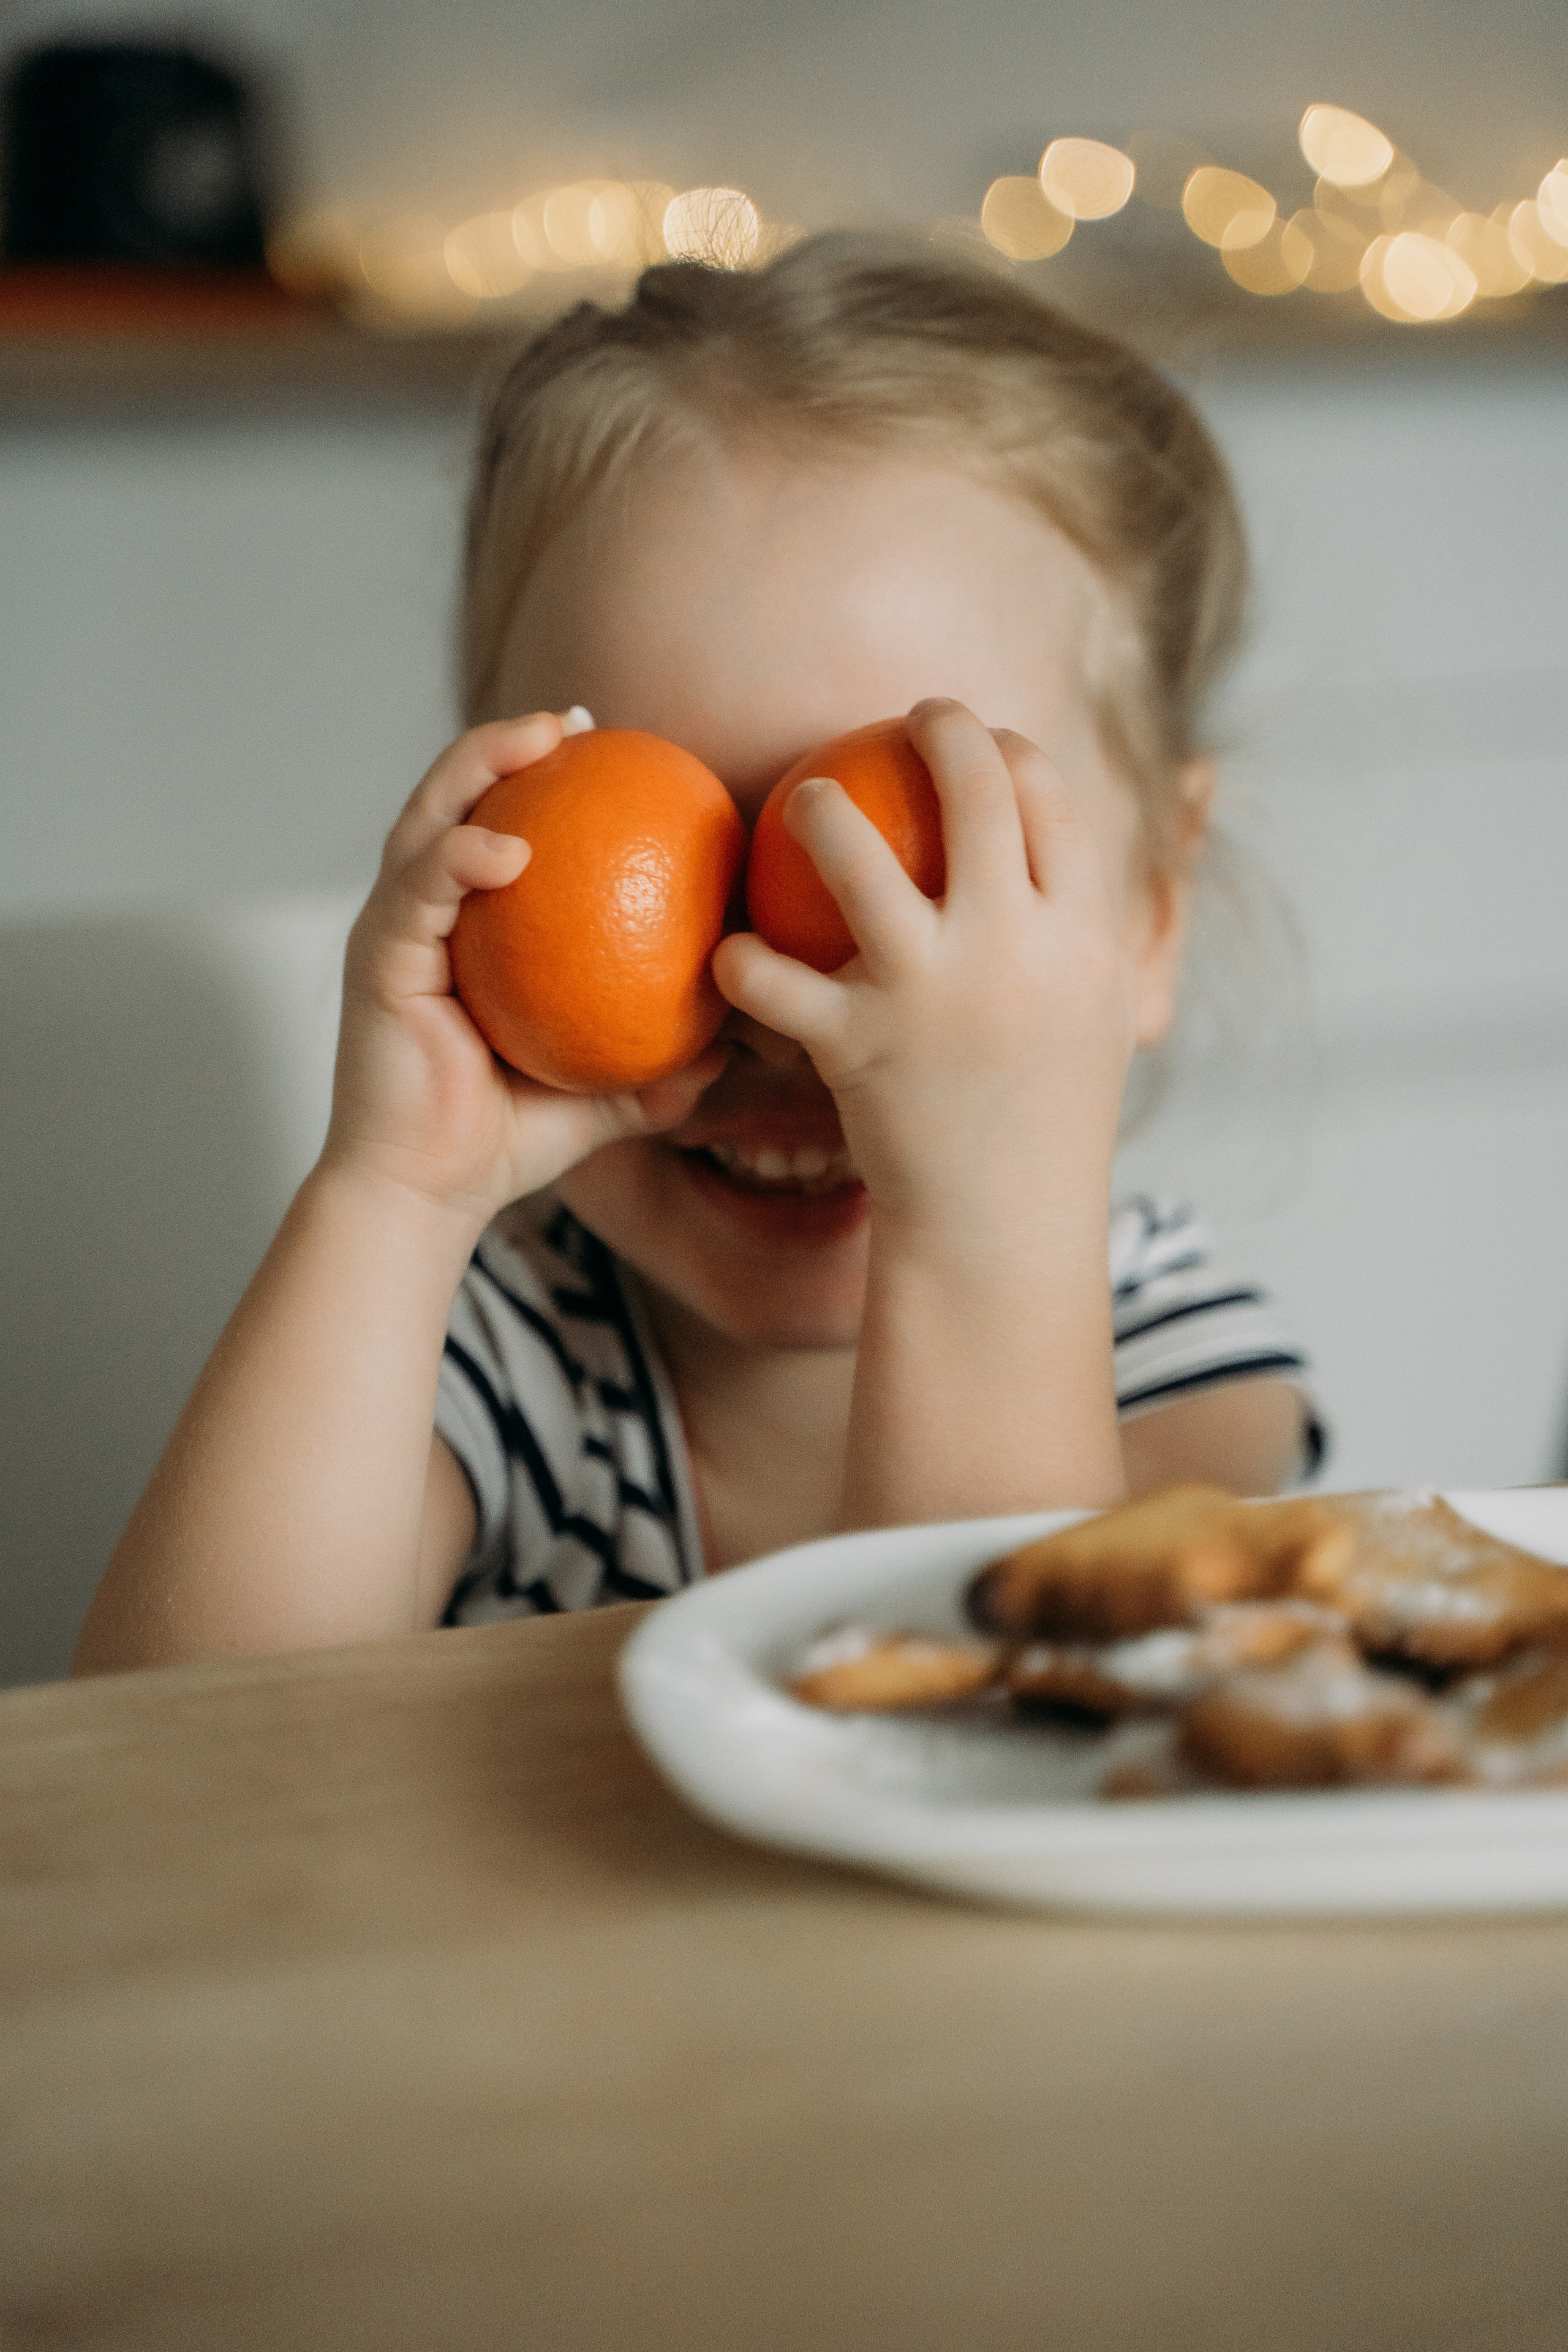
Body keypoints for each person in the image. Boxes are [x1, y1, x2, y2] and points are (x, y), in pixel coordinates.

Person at [75, 233, 1321, 1672]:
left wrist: (979, 1213)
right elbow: (184, 1765)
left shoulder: (1160, 1351)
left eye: (899, 869)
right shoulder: (497, 1345)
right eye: (643, 861)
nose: (766, 1002)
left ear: (1149, 906)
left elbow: (997, 1739)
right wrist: (395, 1195)